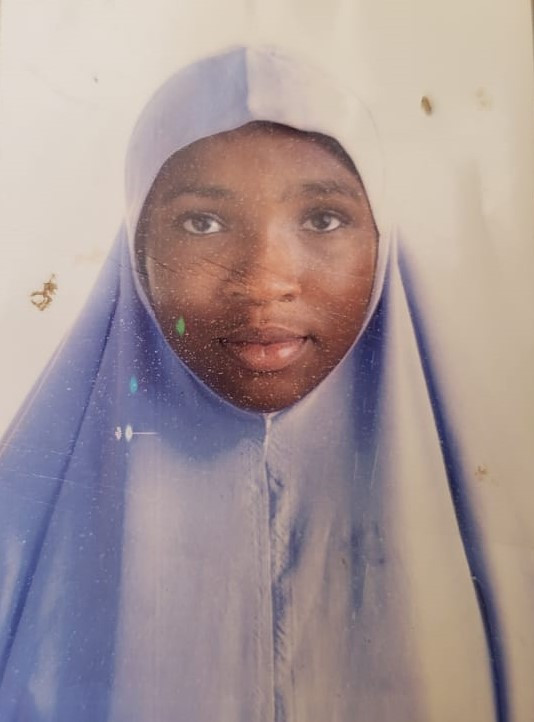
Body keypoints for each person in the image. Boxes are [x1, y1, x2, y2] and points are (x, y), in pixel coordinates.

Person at [0, 46, 523, 722]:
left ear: (382, 240)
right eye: (202, 223)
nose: (265, 280)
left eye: (323, 219)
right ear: (136, 250)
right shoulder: (19, 532)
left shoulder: (506, 534)